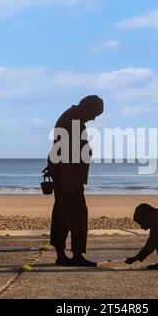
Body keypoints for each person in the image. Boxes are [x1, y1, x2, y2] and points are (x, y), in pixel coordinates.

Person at [45, 95, 104, 267]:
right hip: (69, 175)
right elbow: (71, 147)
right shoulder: (75, 118)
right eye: (94, 114)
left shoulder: (69, 115)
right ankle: (76, 254)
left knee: (62, 214)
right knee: (78, 214)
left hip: (64, 174)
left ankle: (61, 253)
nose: (93, 118)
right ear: (88, 107)